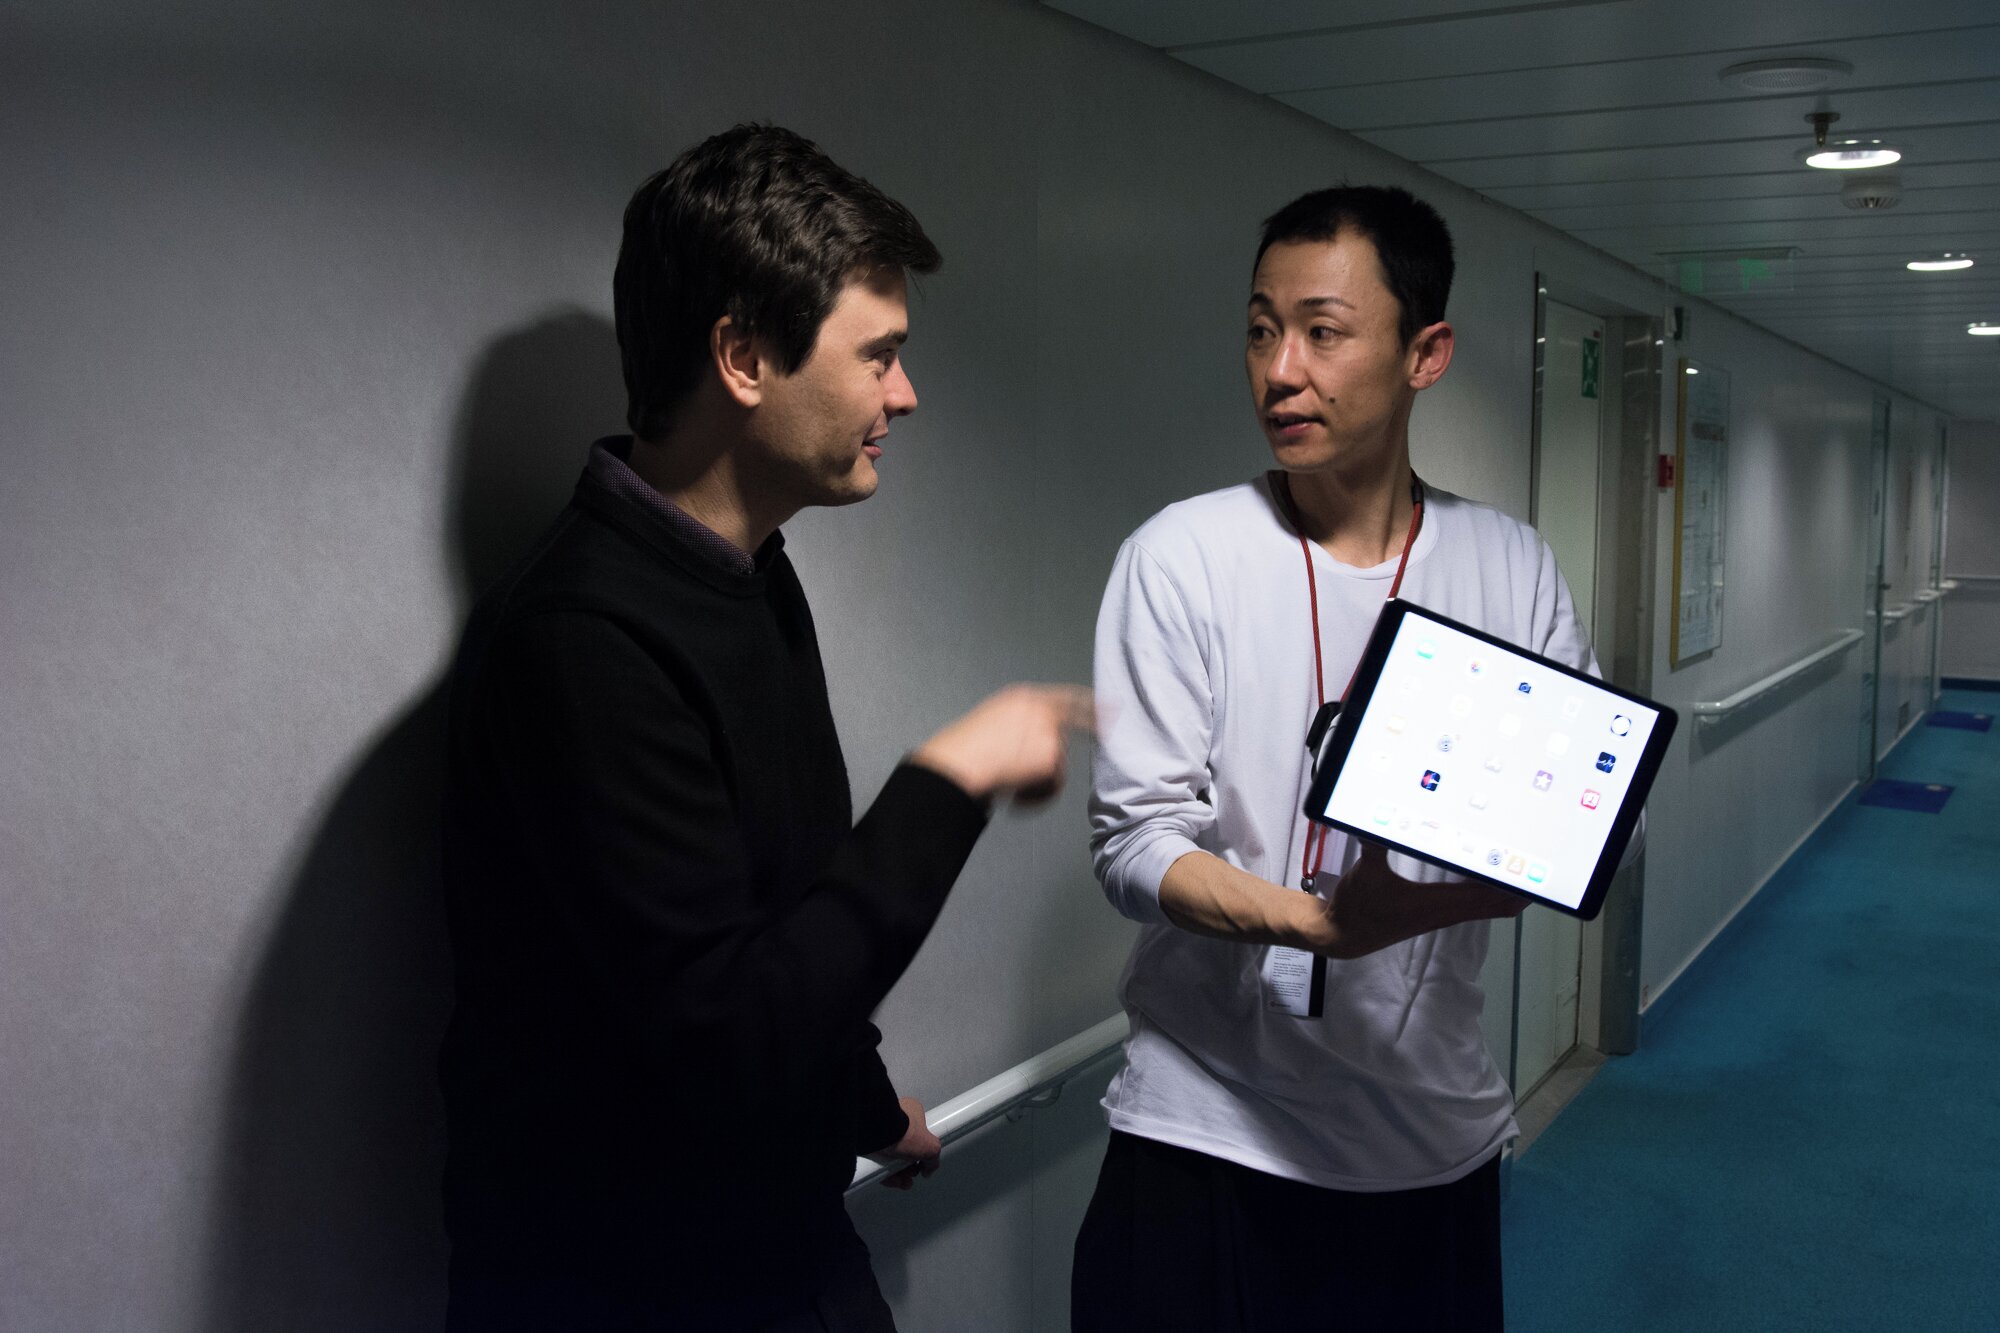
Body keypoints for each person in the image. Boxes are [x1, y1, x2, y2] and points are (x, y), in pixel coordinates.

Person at [438, 123, 1090, 1332]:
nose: (906, 392)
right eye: (877, 354)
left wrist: (863, 1100)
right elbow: (723, 1034)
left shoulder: (747, 571)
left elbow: (772, 905)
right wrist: (948, 780)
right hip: (624, 1285)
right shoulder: (582, 642)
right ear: (741, 355)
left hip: (770, 1236)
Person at [1075, 185, 1614, 1331]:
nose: (1279, 370)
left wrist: (1401, 915)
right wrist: (1308, 922)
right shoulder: (1183, 555)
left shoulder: (1508, 566)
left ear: (1425, 352)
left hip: (1428, 1148)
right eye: (1261, 329)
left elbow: (1557, 841)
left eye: (1321, 331)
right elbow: (1131, 843)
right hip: (1205, 1131)